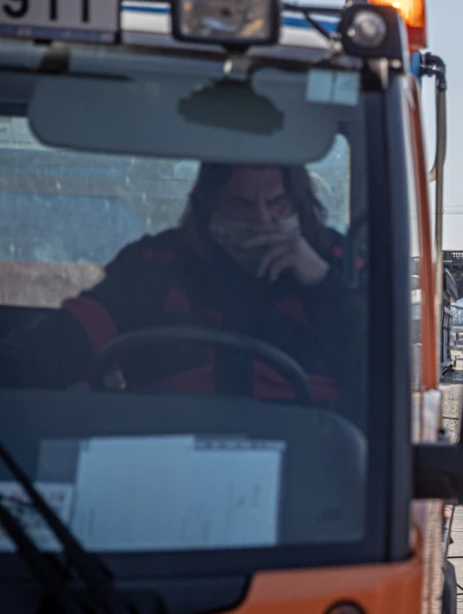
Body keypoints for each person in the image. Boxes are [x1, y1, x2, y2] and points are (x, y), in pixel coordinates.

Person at [0, 163, 365, 424]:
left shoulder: (340, 265)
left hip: (307, 456)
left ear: (299, 204)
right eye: (241, 204)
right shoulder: (156, 264)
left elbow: (381, 372)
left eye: (276, 203)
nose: (263, 220)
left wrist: (321, 284)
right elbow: (71, 336)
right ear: (210, 205)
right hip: (168, 456)